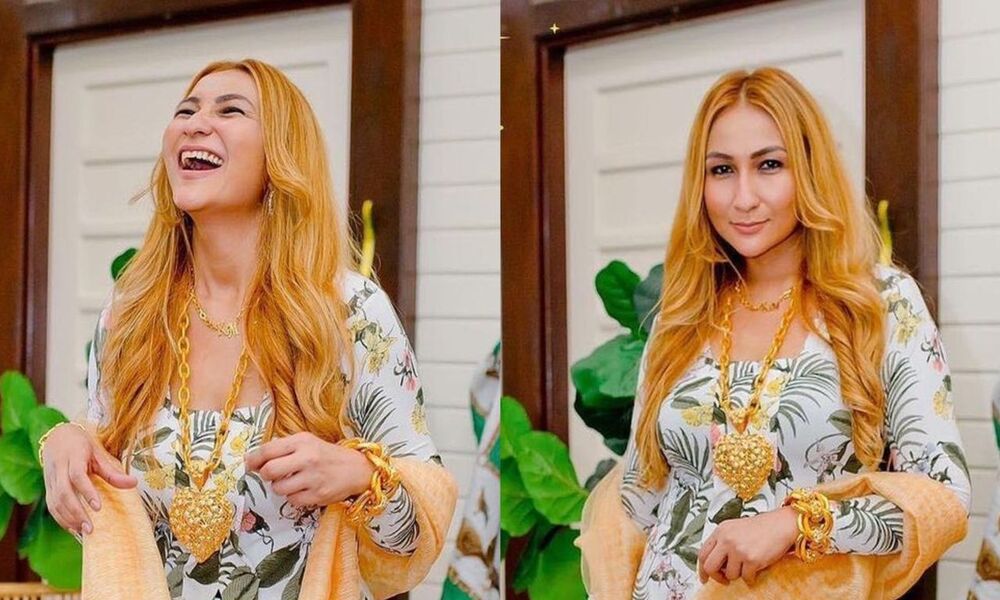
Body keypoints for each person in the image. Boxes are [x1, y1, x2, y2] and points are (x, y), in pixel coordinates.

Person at [37, 58, 455, 599]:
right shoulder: (131, 312)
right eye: (186, 111)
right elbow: (105, 499)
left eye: (230, 111)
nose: (196, 123)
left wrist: (357, 476)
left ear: (280, 155)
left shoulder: (349, 312)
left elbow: (415, 541)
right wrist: (66, 443)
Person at [579, 67, 970, 599]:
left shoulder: (881, 303)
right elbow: (638, 498)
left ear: (809, 169)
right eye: (722, 170)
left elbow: (942, 499)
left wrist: (795, 524)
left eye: (769, 165)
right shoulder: (682, 314)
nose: (744, 197)